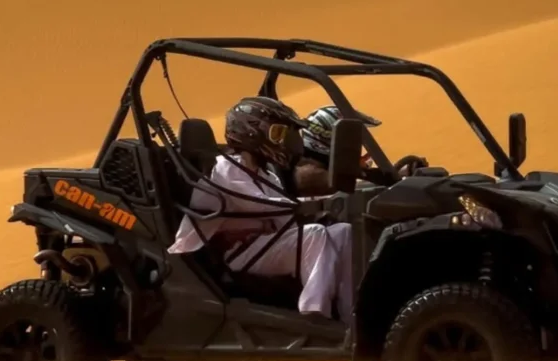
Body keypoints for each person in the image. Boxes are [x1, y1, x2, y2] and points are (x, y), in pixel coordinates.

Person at [166, 96, 352, 321]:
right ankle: (315, 311)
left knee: (343, 231)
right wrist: (314, 206)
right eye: (277, 133)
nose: (282, 141)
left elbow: (285, 222)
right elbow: (262, 204)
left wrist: (316, 215)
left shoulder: (267, 175)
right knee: (315, 235)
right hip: (239, 254)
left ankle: (349, 312)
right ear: (252, 133)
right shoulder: (226, 168)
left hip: (263, 246)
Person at [296, 105, 429, 198]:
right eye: (351, 141)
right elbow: (355, 187)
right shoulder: (309, 173)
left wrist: (405, 171)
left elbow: (360, 178)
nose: (356, 146)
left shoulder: (326, 167)